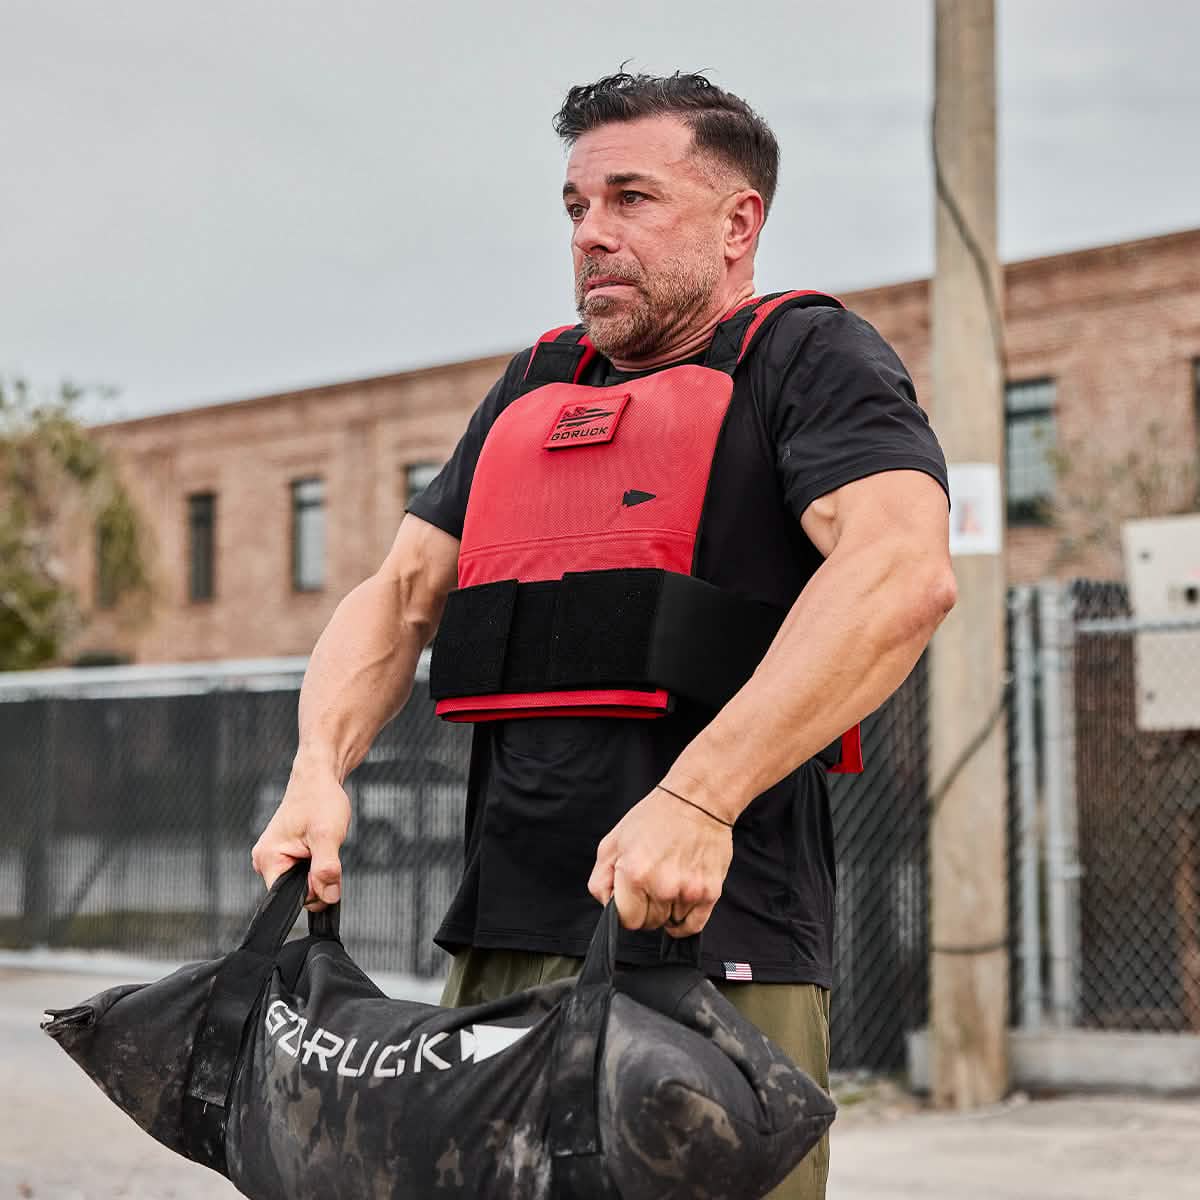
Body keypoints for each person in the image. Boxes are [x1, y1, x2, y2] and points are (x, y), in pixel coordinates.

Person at [253, 72, 955, 1200]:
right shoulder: (538, 382)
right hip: (503, 928)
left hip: (713, 935)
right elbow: (397, 594)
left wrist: (700, 796)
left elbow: (901, 570)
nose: (591, 234)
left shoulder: (806, 359)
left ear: (739, 222)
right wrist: (315, 767)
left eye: (632, 199)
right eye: (576, 206)